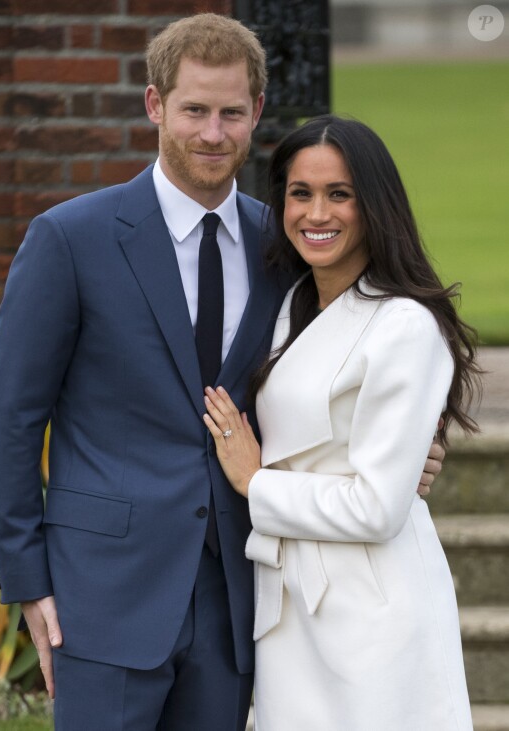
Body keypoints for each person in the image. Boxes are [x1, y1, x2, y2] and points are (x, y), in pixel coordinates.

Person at [0, 14, 445, 731]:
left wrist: (414, 442)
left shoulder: (284, 241)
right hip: (103, 595)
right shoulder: (70, 239)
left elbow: (353, 354)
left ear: (257, 111)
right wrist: (29, 581)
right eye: (194, 109)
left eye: (232, 112)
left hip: (242, 598)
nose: (213, 132)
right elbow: (10, 416)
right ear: (155, 104)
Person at [204, 115, 480, 730]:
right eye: (300, 193)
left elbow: (379, 509)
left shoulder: (403, 324)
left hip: (369, 611)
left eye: (339, 194)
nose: (316, 213)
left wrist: (258, 483)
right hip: (291, 607)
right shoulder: (291, 305)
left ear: (374, 204)